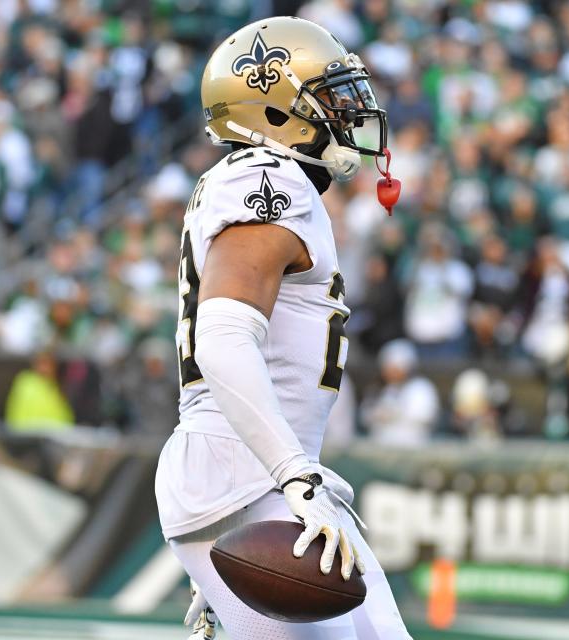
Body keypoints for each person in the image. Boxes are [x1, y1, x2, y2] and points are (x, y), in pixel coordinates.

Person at [153, 18, 411, 640]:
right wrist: (292, 477)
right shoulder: (268, 180)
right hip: (252, 477)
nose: (349, 109)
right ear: (271, 110)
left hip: (253, 477)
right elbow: (222, 337)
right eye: (329, 94)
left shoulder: (269, 183)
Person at [360, 339, 440, 446]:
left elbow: (425, 417)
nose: (390, 372)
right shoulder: (378, 389)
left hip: (413, 449)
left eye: (395, 368)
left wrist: (393, 414)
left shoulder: (421, 388)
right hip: (380, 449)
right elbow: (364, 416)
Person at [4, 351, 75, 431]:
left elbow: (65, 418)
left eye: (49, 364)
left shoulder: (57, 386)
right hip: (27, 436)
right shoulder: (25, 382)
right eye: (42, 363)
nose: (45, 368)